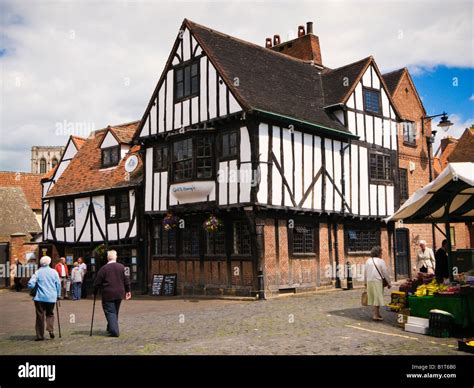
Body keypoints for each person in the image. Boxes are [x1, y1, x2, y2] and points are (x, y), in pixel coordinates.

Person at [93, 250, 131, 337]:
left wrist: (94, 292)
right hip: (119, 293)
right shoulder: (122, 267)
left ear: (107, 258)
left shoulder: (103, 269)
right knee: (115, 311)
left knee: (110, 312)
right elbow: (127, 280)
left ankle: (114, 331)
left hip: (108, 293)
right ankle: (110, 327)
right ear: (116, 257)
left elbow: (97, 282)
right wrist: (128, 291)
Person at [27, 256, 61, 341]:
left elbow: (30, 284)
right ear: (49, 262)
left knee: (40, 316)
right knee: (50, 314)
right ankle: (50, 330)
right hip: (51, 298)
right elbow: (58, 285)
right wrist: (58, 295)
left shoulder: (38, 272)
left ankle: (40, 336)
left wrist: (33, 288)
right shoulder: (54, 272)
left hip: (39, 298)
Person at [364, 246, 391, 321]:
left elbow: (365, 272)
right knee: (377, 298)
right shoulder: (381, 261)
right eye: (381, 253)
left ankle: (377, 313)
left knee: (374, 298)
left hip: (369, 281)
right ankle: (375, 315)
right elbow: (385, 273)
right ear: (378, 253)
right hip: (377, 281)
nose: (381, 254)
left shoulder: (368, 261)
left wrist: (365, 282)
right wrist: (389, 282)